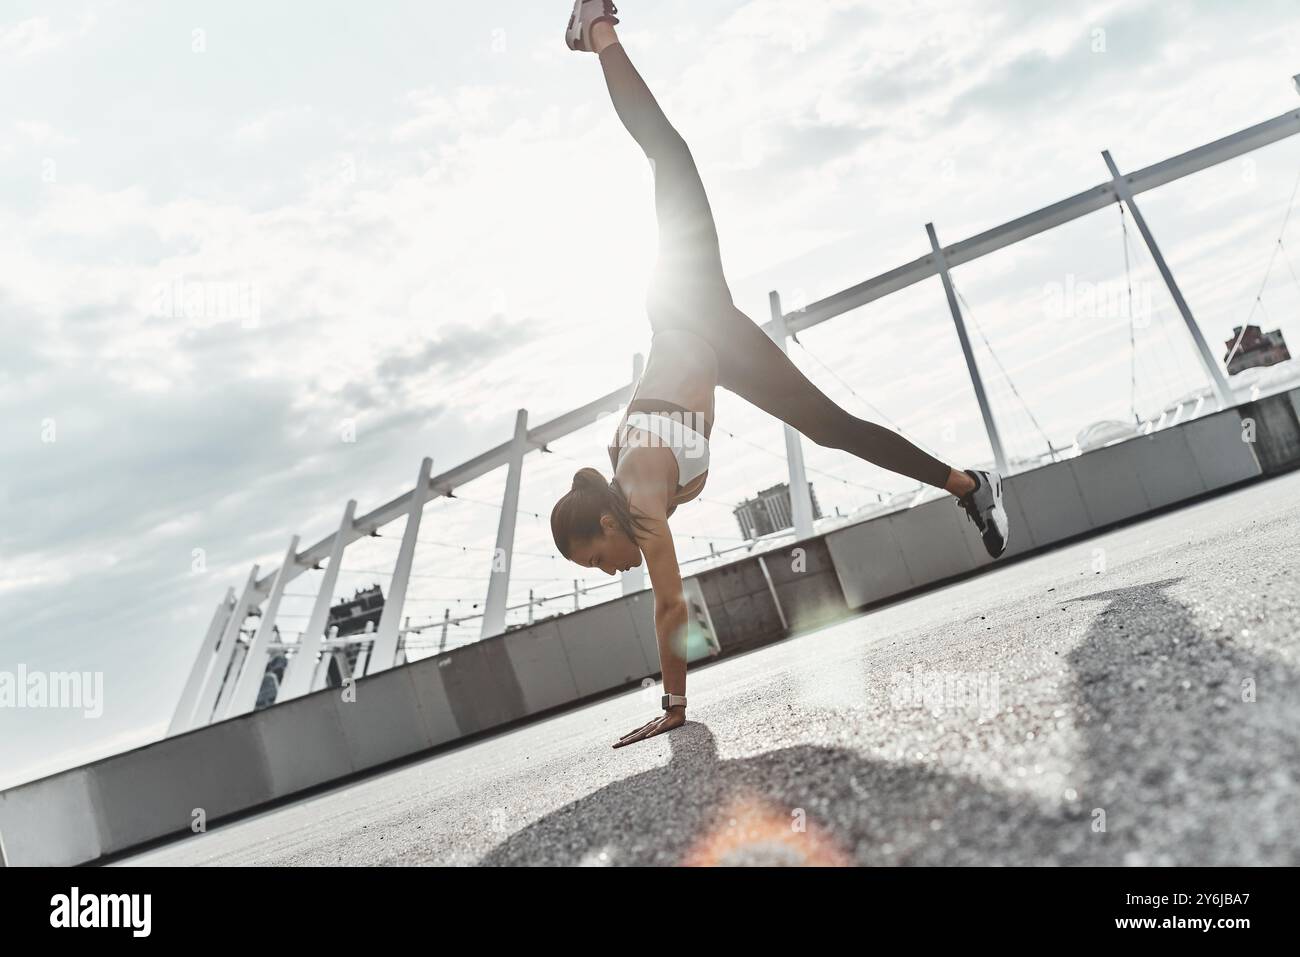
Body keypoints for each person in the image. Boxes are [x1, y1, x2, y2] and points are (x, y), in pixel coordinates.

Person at [550, 1, 1009, 749]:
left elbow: (671, 608)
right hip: (706, 333)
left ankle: (597, 24)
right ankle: (969, 486)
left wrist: (673, 708)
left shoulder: (637, 504)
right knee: (832, 430)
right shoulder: (628, 487)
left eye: (598, 560)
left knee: (670, 155)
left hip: (688, 306)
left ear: (606, 526)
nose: (609, 571)